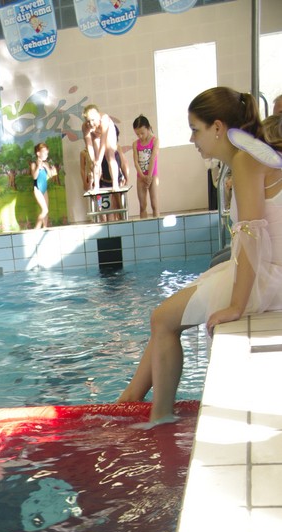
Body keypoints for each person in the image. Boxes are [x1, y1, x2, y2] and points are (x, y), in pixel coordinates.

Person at [118, 87, 282, 424]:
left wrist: (236, 306)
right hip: (266, 268)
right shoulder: (250, 156)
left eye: (195, 129)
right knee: (163, 318)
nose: (192, 139)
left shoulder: (245, 160)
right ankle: (132, 398)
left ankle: (159, 418)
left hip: (269, 275)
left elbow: (252, 237)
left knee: (162, 319)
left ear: (217, 127)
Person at [82, 104, 120, 190]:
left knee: (110, 155)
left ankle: (115, 183)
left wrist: (99, 161)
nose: (91, 124)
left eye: (93, 120)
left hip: (108, 133)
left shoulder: (104, 119)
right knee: (95, 161)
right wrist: (94, 161)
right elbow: (89, 145)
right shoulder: (85, 127)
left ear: (98, 117)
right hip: (96, 135)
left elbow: (103, 143)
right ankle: (96, 185)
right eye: (88, 121)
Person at [132, 115, 160, 218]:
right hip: (141, 177)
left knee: (154, 205)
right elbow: (136, 162)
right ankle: (143, 226)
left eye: (142, 133)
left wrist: (149, 177)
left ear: (148, 128)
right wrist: (143, 177)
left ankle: (157, 224)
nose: (140, 136)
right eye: (137, 134)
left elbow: (153, 159)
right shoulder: (135, 144)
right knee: (142, 205)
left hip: (152, 175)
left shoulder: (155, 141)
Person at [30, 142, 58, 229]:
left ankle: (45, 227)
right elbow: (34, 177)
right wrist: (38, 167)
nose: (46, 155)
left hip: (44, 189)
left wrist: (47, 168)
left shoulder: (46, 164)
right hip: (37, 189)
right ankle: (36, 229)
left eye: (47, 153)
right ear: (38, 153)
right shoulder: (34, 164)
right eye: (44, 152)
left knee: (46, 211)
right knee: (45, 210)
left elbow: (50, 175)